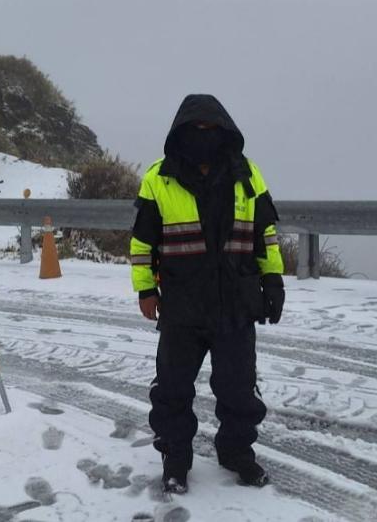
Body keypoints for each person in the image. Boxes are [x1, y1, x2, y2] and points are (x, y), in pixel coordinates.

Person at [129, 94, 285, 494]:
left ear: (225, 131)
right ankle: (175, 460)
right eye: (195, 131)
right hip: (182, 305)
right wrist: (146, 289)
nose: (203, 137)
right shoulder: (158, 178)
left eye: (211, 130)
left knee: (239, 388)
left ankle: (237, 454)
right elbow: (143, 242)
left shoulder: (248, 173)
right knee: (173, 389)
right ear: (179, 133)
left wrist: (273, 281)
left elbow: (265, 235)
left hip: (237, 303)